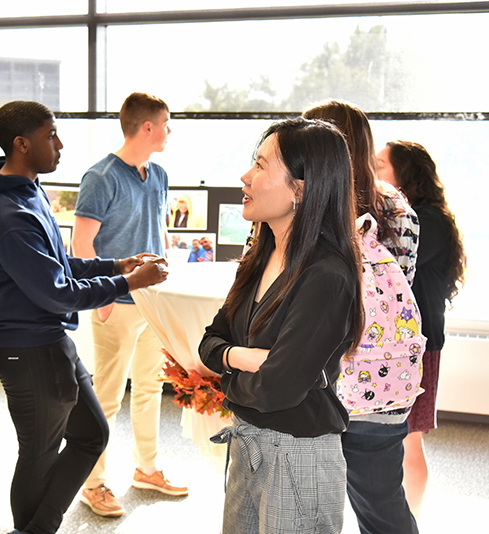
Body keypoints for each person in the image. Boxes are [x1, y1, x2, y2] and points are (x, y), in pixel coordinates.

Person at [0, 100, 168, 534]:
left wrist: (117, 265)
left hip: (45, 339)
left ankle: (37, 528)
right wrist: (131, 284)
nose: (60, 143)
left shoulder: (28, 190)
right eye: (51, 135)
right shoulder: (8, 215)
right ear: (21, 144)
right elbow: (56, 292)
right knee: (40, 453)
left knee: (91, 434)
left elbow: (58, 264)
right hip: (24, 345)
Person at [199, 117, 363, 533]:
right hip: (249, 441)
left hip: (298, 455)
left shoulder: (327, 275)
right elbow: (208, 343)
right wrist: (245, 357)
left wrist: (228, 376)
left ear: (301, 189)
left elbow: (279, 388)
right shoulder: (260, 254)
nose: (245, 176)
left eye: (260, 165)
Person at [304, 100, 421, 534]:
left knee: (303, 506)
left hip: (311, 382)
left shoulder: (301, 201)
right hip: (382, 381)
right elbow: (401, 287)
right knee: (382, 506)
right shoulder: (396, 207)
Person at [73, 92, 188, 518]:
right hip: (115, 303)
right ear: (147, 127)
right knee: (106, 396)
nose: (169, 130)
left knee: (150, 389)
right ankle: (94, 482)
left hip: (152, 304)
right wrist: (98, 298)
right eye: (166, 123)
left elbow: (159, 233)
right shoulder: (100, 177)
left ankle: (148, 469)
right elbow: (81, 243)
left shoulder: (157, 174)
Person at [376, 140, 467, 518]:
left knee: (409, 440)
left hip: (419, 346)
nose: (373, 171)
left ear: (405, 173)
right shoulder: (415, 215)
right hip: (406, 344)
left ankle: (409, 520)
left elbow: (389, 265)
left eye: (380, 165)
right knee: (398, 441)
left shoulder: (424, 220)